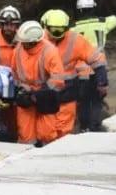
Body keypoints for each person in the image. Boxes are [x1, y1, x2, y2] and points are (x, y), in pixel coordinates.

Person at [41, 9, 106, 137]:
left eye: (61, 30)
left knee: (63, 132)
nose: (57, 34)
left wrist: (102, 81)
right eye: (54, 30)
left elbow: (97, 59)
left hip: (68, 92)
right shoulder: (38, 40)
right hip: (45, 92)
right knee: (45, 132)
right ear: (47, 27)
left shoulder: (76, 40)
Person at [12, 21, 66, 146]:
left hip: (46, 97)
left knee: (47, 134)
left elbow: (58, 79)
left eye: (24, 42)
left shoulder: (49, 51)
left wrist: (38, 95)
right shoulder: (18, 50)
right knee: (26, 135)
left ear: (33, 41)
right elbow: (14, 73)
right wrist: (19, 91)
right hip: (25, 96)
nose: (22, 43)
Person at [0, 5, 22, 139]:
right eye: (5, 25)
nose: (8, 28)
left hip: (18, 86)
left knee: (18, 120)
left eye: (12, 25)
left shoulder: (24, 39)